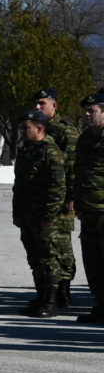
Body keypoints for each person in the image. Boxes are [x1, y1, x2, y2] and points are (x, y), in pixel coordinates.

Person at [14, 110, 68, 318]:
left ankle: (51, 301)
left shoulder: (50, 152)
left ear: (39, 128)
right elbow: (19, 186)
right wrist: (17, 212)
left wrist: (49, 216)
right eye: (21, 128)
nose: (21, 131)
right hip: (28, 216)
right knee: (34, 260)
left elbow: (58, 187)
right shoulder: (26, 150)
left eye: (25, 128)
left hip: (44, 218)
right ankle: (41, 297)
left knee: (48, 260)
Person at [32, 88, 79, 309]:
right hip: (41, 198)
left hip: (61, 200)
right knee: (44, 247)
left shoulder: (65, 132)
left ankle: (63, 291)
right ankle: (47, 292)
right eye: (36, 104)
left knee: (61, 245)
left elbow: (71, 167)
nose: (37, 107)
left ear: (55, 106)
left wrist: (70, 195)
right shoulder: (36, 129)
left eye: (42, 103)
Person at [74, 93, 104, 323]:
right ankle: (100, 304)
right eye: (85, 111)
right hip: (88, 210)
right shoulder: (85, 139)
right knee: (93, 260)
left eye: (91, 111)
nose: (86, 115)